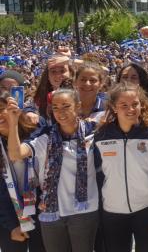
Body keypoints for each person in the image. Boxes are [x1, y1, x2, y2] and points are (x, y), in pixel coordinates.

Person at [7, 88, 98, 252]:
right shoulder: (46, 136)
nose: (60, 112)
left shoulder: (94, 132)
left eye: (65, 106)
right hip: (51, 212)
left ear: (77, 106)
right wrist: (13, 122)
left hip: (84, 210)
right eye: (55, 107)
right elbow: (15, 153)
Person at [93, 82, 148, 252]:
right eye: (124, 105)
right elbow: (96, 171)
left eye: (135, 104)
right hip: (113, 210)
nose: (130, 109)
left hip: (147, 208)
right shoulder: (101, 136)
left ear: (141, 105)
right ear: (114, 108)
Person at [0, 93, 45, 252]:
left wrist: (28, 112)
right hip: (9, 216)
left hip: (42, 213)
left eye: (1, 109)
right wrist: (12, 225)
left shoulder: (37, 129)